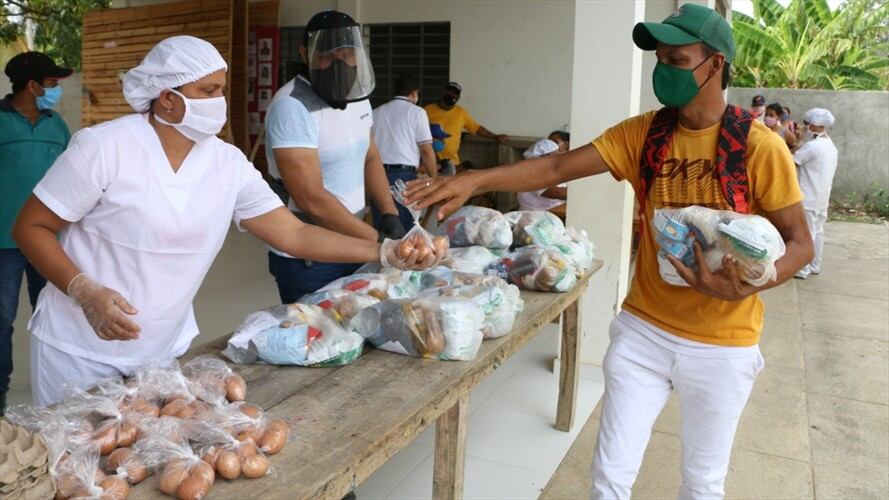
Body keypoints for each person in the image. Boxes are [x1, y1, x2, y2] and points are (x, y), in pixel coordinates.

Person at [405, 5, 813, 498]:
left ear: (716, 65)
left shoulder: (757, 146)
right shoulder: (645, 133)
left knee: (703, 484)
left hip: (723, 344)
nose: (665, 69)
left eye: (678, 58)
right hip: (645, 331)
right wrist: (475, 180)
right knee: (609, 479)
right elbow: (556, 170)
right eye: (661, 58)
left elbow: (799, 244)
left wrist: (751, 282)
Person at [11, 36, 437, 407]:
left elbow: (293, 232)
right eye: (207, 90)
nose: (219, 102)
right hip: (80, 350)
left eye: (221, 90)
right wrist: (84, 291)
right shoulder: (105, 147)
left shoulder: (226, 163)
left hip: (161, 350)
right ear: (166, 98)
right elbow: (31, 227)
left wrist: (383, 250)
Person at [264, 11, 407, 304]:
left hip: (355, 240)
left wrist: (389, 213)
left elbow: (370, 156)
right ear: (306, 53)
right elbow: (311, 199)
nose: (341, 63)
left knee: (360, 329)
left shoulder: (358, 97)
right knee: (320, 340)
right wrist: (377, 241)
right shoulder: (292, 107)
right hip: (310, 252)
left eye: (348, 53)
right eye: (329, 55)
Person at [0, 52, 72, 414]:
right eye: (52, 84)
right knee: (1, 320)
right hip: (3, 244)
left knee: (56, 317)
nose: (56, 90)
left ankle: (57, 392)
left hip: (48, 240)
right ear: (32, 85)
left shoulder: (56, 125)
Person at [371, 73, 438, 231]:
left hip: (376, 175)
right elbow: (426, 151)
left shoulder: (376, 112)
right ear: (414, 93)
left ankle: (382, 255)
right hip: (404, 178)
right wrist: (434, 178)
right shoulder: (417, 113)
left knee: (383, 226)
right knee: (405, 228)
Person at [424, 81, 510, 175]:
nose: (451, 95)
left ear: (458, 98)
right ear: (443, 92)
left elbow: (476, 128)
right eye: (449, 92)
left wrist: (495, 136)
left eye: (455, 94)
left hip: (452, 164)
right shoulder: (427, 110)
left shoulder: (461, 113)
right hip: (430, 162)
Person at [793, 108, 838, 280]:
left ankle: (802, 269)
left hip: (808, 199)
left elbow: (791, 162)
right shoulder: (830, 146)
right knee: (818, 232)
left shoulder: (812, 147)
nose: (804, 126)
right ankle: (815, 265)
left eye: (806, 124)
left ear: (813, 125)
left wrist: (799, 140)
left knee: (807, 234)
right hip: (821, 199)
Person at [516, 139, 566, 212]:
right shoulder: (533, 172)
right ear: (544, 157)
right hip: (536, 215)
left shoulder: (550, 170)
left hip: (552, 211)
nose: (558, 156)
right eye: (555, 154)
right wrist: (579, 193)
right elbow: (555, 193)